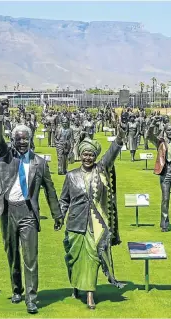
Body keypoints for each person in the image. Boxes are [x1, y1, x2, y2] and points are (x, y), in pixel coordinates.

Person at [0, 100, 61, 314]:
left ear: (30, 140)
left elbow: (50, 190)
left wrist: (57, 214)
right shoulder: (5, 155)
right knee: (12, 253)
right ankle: (17, 289)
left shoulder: (40, 163)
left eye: (25, 139)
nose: (22, 142)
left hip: (28, 213)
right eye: (18, 139)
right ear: (13, 140)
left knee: (30, 256)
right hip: (8, 211)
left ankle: (31, 298)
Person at [59, 131, 126, 310]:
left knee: (93, 258)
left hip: (95, 224)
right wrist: (60, 216)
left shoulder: (101, 169)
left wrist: (119, 138)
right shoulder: (71, 176)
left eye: (91, 155)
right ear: (80, 155)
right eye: (85, 154)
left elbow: (111, 154)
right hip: (75, 223)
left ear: (95, 156)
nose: (88, 158)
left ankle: (90, 294)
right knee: (73, 258)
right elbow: (64, 200)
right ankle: (75, 286)